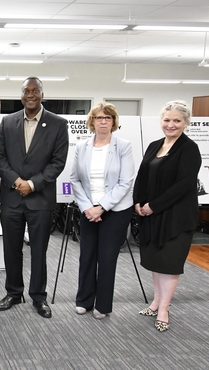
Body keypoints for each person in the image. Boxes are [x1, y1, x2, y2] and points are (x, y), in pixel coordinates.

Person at [0, 77, 69, 318]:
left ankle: (39, 296)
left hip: (40, 200)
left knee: (39, 250)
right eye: (26, 91)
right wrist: (17, 182)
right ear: (21, 95)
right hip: (12, 198)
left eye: (35, 90)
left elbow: (58, 162)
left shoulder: (58, 124)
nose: (31, 94)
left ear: (42, 95)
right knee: (11, 249)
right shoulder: (8, 122)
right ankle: (14, 293)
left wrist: (33, 184)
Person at [133, 101, 201, 332]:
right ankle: (155, 303)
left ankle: (164, 309)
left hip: (176, 218)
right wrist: (139, 202)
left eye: (176, 121)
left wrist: (155, 205)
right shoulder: (154, 145)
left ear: (185, 123)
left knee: (170, 264)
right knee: (156, 261)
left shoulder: (189, 148)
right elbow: (141, 175)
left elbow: (183, 184)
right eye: (167, 120)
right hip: (151, 215)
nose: (170, 125)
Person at [69, 102, 135, 319]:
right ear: (92, 121)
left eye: (108, 117)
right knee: (87, 256)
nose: (103, 121)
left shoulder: (123, 146)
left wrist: (102, 207)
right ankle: (84, 300)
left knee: (107, 258)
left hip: (115, 211)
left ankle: (102, 305)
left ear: (114, 121)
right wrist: (88, 207)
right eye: (99, 117)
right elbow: (74, 179)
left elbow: (126, 182)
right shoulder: (82, 147)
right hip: (88, 209)